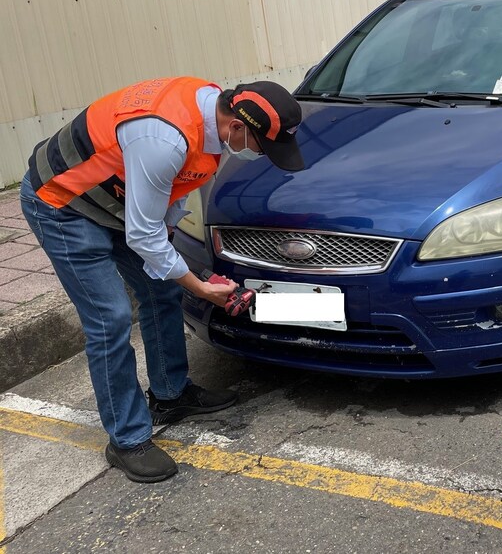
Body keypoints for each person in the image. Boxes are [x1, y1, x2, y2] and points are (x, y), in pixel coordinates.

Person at [20, 77, 304, 483]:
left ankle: (171, 394)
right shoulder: (164, 139)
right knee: (111, 319)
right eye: (265, 147)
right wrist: (199, 286)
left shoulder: (211, 127)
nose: (263, 155)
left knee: (161, 289)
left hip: (116, 202)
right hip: (63, 202)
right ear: (239, 127)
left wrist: (179, 264)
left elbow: (172, 196)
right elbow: (143, 235)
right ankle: (127, 438)